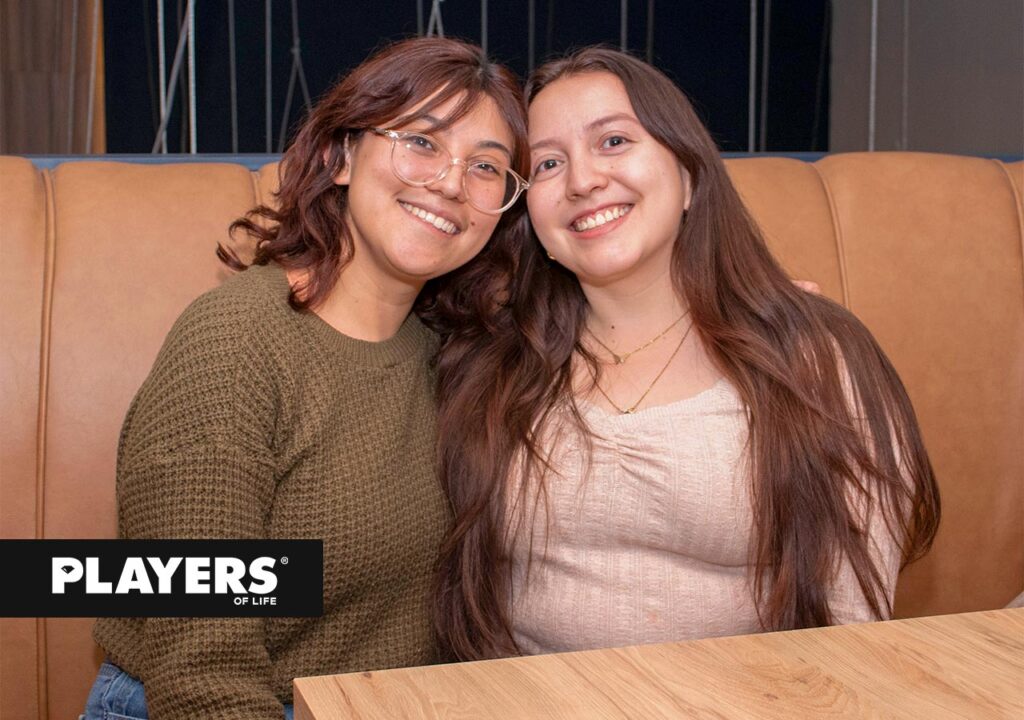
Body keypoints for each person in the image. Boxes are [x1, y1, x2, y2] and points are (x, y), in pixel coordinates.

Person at [433, 48, 941, 659]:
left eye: (615, 141)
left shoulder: (813, 360)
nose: (583, 180)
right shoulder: (488, 355)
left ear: (690, 176)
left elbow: (851, 631)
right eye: (547, 163)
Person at [82, 37, 530, 720]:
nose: (451, 182)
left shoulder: (448, 352)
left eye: (487, 167)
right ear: (340, 156)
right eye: (422, 142)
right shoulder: (234, 342)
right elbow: (203, 679)